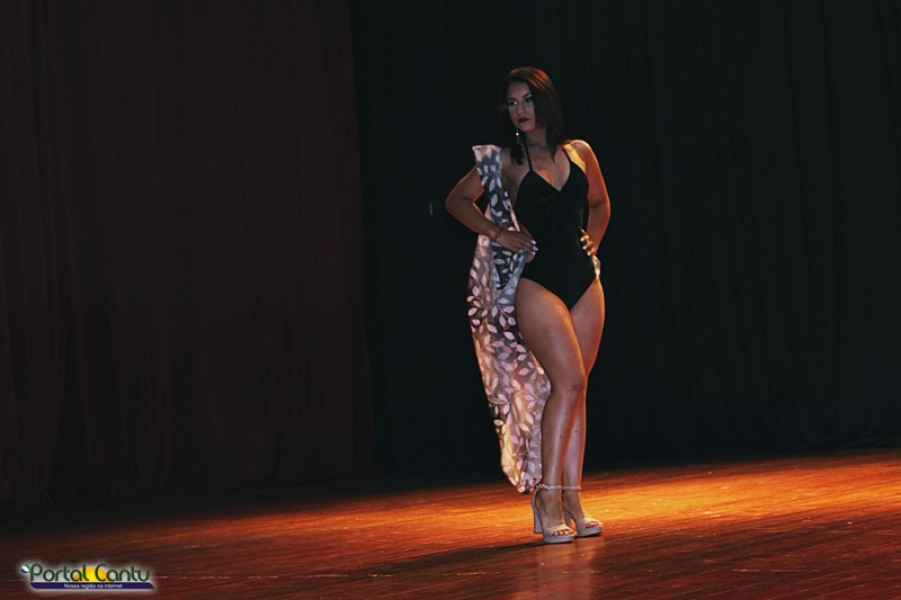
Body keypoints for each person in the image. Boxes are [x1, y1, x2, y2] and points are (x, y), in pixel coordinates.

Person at [445, 66, 612, 544]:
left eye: (527, 100)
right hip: (537, 282)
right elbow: (458, 200)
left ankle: (573, 498)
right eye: (512, 103)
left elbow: (600, 204)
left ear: (545, 102)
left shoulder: (579, 152)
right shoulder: (505, 160)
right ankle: (547, 496)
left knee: (579, 390)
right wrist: (499, 233)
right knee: (568, 382)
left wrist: (593, 242)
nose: (519, 110)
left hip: (584, 280)